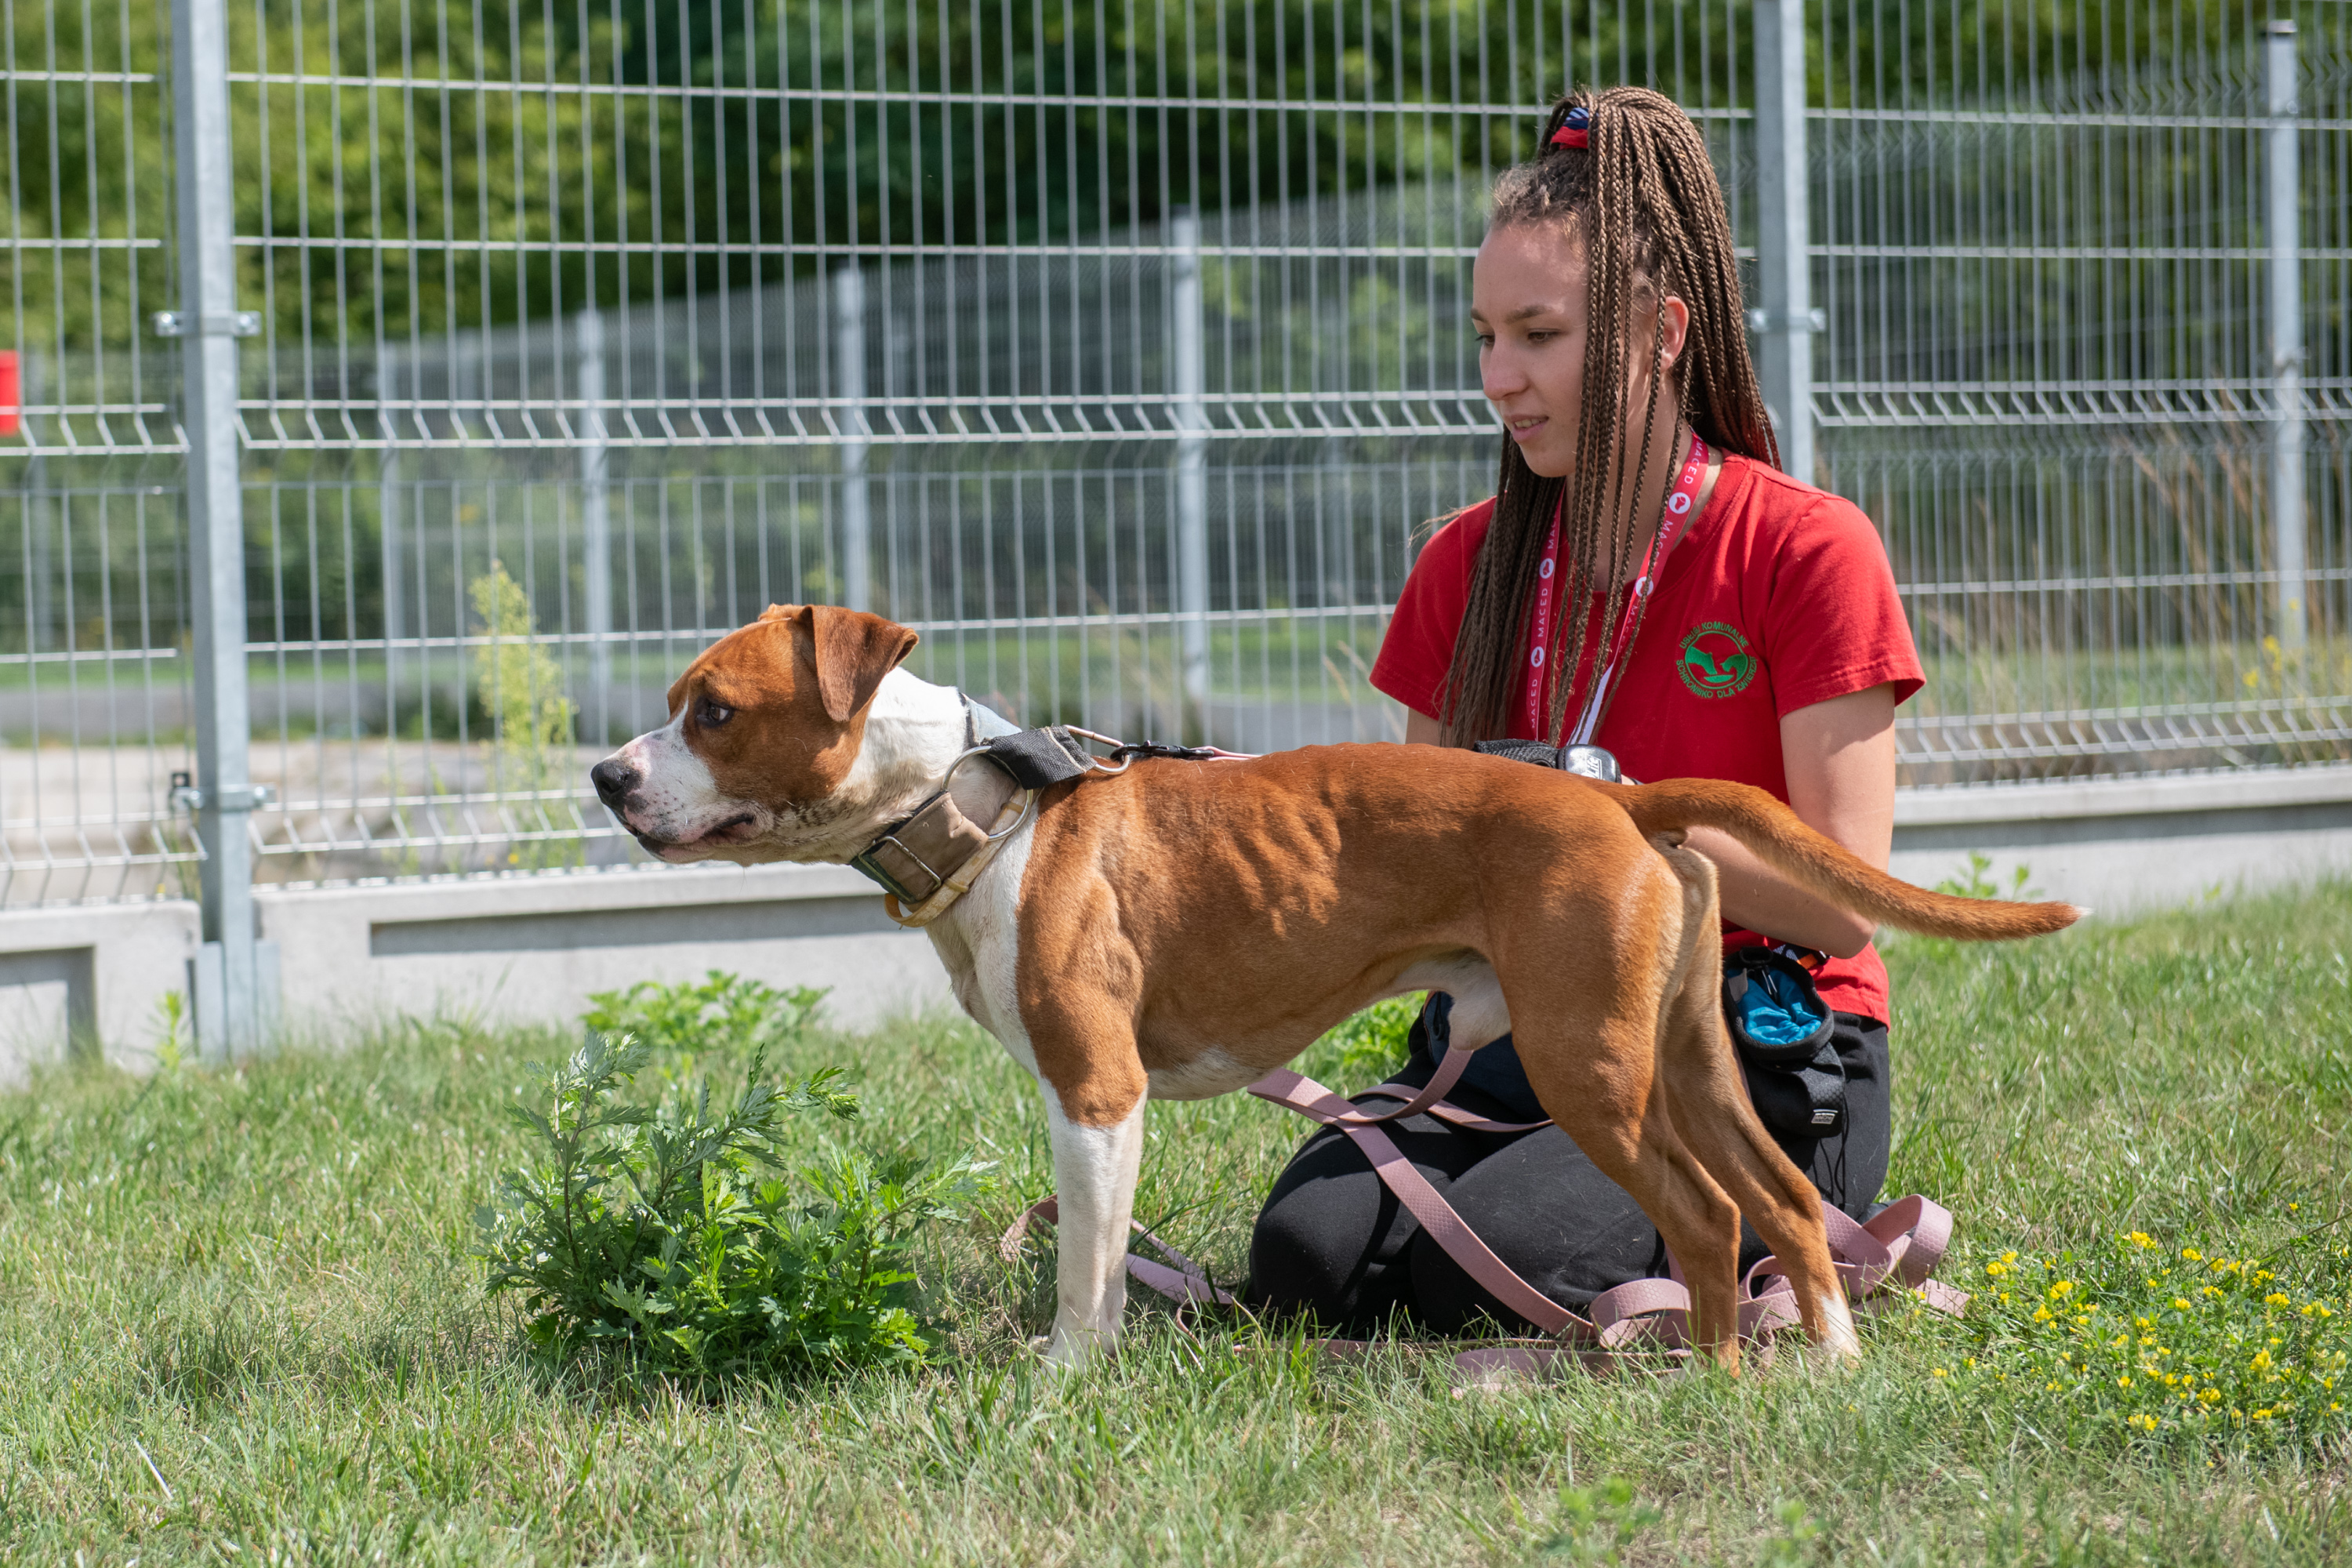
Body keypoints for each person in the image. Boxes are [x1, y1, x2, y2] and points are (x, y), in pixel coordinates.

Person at [1242, 86, 1926, 1336]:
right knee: (1302, 1263)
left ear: (1660, 332)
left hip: (1748, 1038)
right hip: (1515, 1029)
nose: (1502, 378)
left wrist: (1590, 834)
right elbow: (1409, 863)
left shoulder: (1807, 548)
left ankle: (1776, 1259)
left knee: (1473, 1274)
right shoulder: (1465, 564)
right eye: (1486, 337)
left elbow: (1839, 901)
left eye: (1541, 335)